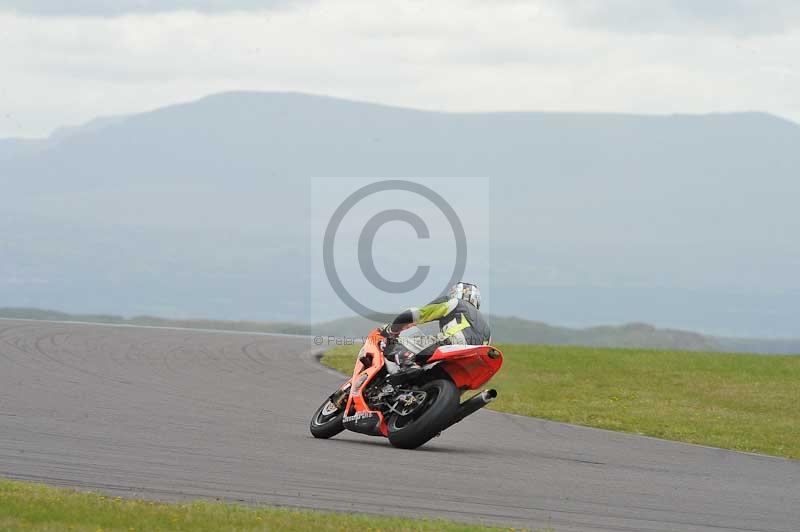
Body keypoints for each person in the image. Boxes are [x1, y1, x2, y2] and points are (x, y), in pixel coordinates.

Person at [381, 282, 491, 382]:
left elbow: (417, 314)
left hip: (453, 343)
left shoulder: (455, 303)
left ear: (454, 294)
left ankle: (409, 366)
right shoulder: (487, 328)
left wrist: (392, 330)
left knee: (395, 344)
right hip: (474, 362)